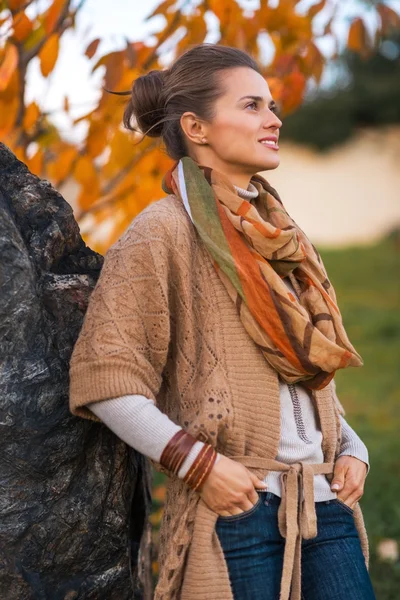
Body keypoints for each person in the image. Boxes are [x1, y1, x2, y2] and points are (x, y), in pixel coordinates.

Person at [69, 43, 376, 600]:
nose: (274, 119)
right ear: (197, 127)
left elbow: (298, 372)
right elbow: (104, 379)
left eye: (273, 106)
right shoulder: (160, 233)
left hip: (326, 507)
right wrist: (200, 466)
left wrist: (351, 446)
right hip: (239, 511)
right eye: (253, 106)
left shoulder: (282, 236)